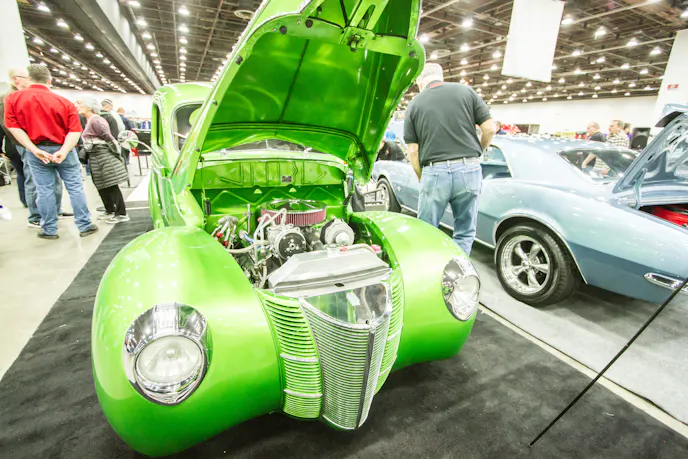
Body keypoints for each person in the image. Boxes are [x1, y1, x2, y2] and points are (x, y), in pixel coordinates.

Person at [404, 63, 496, 255]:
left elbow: (413, 151)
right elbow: (489, 128)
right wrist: (477, 151)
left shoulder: (415, 103)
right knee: (465, 232)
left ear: (420, 82)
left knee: (426, 231)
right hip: (469, 170)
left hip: (435, 172)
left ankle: (430, 269)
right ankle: (459, 270)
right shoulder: (466, 92)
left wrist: (422, 175)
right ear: (441, 76)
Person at [3, 64, 97, 239]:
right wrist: (64, 150)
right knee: (75, 188)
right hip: (64, 148)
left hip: (37, 150)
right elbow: (75, 130)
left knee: (44, 190)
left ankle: (50, 229)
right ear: (49, 80)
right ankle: (84, 225)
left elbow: (13, 127)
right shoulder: (64, 102)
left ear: (29, 79)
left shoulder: (13, 99)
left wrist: (33, 149)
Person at [2, 67, 68, 226]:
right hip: (25, 144)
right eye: (27, 77)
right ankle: (36, 216)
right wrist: (29, 143)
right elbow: (8, 126)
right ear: (16, 79)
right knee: (32, 178)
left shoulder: (30, 96)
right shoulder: (9, 98)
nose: (31, 80)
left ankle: (55, 210)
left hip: (44, 142)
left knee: (54, 177)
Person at [77, 96, 130, 223]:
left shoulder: (97, 120)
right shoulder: (91, 120)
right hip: (96, 157)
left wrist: (117, 154)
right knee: (102, 185)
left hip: (104, 156)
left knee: (111, 185)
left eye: (80, 103)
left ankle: (121, 213)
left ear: (89, 106)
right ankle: (110, 209)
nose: (78, 106)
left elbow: (109, 138)